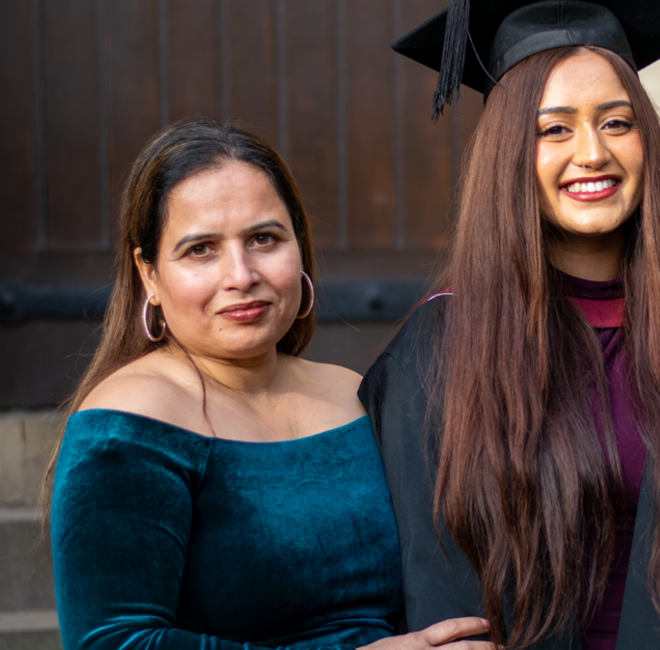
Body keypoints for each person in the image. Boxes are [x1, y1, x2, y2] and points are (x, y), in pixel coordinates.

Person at [359, 0, 660, 650]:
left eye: (616, 122)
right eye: (554, 130)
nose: (592, 153)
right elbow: (431, 580)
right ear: (511, 154)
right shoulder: (441, 349)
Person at [46, 119, 493, 650]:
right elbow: (111, 642)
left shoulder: (353, 392)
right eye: (200, 249)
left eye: (263, 239)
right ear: (149, 274)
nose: (241, 274)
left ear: (299, 247)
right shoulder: (127, 426)